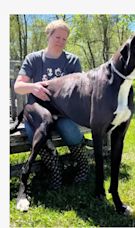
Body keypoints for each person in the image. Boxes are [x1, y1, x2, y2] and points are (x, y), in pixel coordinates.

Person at [14, 19, 89, 189]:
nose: (61, 41)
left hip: (63, 112)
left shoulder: (72, 61)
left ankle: (83, 166)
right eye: (57, 37)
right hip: (37, 113)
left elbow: (79, 90)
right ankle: (56, 170)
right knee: (37, 135)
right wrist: (33, 87)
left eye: (64, 39)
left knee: (69, 129)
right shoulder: (33, 59)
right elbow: (18, 87)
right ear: (48, 35)